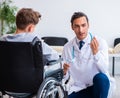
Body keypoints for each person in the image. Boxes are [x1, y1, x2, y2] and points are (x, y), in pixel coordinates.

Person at [0, 8, 59, 97]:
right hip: (31, 87)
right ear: (31, 28)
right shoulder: (34, 41)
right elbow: (54, 57)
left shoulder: (3, 39)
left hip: (6, 86)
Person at [62, 12, 113, 98]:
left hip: (98, 86)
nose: (81, 30)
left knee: (101, 78)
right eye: (77, 26)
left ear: (88, 25)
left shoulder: (100, 42)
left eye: (83, 25)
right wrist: (64, 71)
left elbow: (104, 69)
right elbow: (65, 77)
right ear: (72, 27)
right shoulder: (67, 47)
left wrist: (96, 53)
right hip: (79, 87)